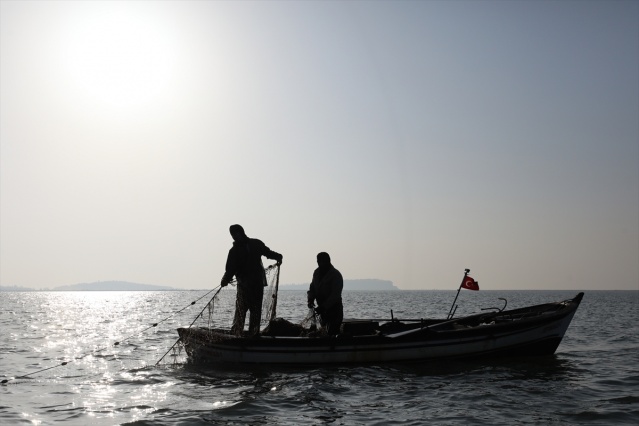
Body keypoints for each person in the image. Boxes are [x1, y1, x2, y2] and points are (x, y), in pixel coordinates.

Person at [221, 224, 282, 336]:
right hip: (244, 285)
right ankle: (238, 333)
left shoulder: (255, 244)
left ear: (241, 232)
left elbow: (268, 253)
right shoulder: (234, 251)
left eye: (235, 233)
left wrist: (278, 256)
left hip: (255, 285)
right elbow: (230, 269)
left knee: (254, 311)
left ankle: (253, 335)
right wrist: (225, 279)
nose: (234, 236)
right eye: (232, 234)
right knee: (241, 311)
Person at [307, 252, 343, 335]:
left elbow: (335, 295)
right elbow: (312, 288)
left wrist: (323, 307)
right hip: (322, 312)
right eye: (318, 261)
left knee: (332, 332)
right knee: (323, 333)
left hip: (335, 311)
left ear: (328, 261)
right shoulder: (316, 273)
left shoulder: (336, 275)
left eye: (321, 261)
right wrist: (310, 299)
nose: (319, 263)